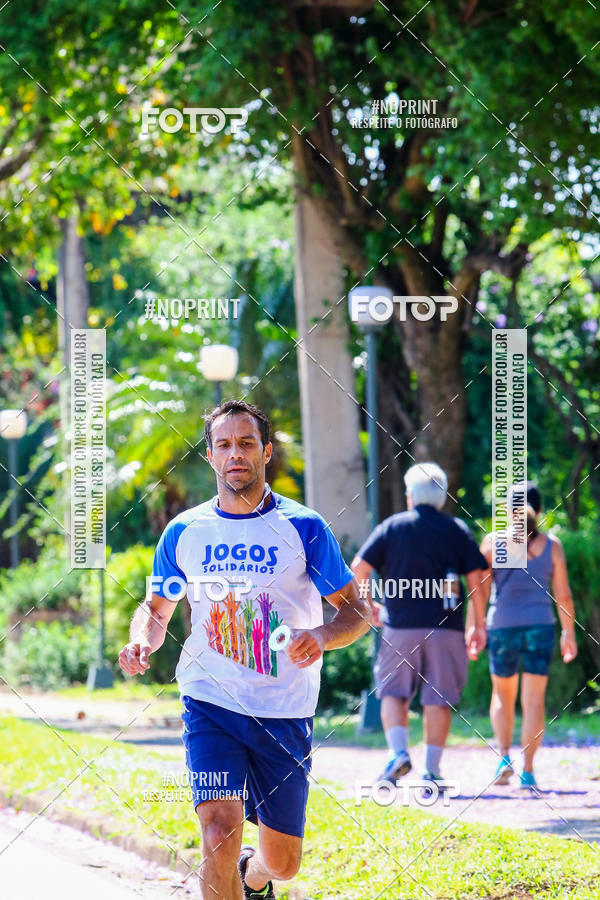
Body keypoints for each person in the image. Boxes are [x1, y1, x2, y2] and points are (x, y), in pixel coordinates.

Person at [118, 400, 371, 900]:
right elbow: (156, 607)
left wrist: (320, 636)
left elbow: (356, 611)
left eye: (247, 443)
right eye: (224, 444)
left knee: (283, 863)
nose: (236, 453)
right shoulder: (185, 531)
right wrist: (140, 641)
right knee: (218, 834)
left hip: (284, 708)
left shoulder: (305, 528)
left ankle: (255, 879)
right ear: (210, 456)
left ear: (266, 452)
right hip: (209, 701)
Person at [351, 462, 488, 788]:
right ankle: (432, 772)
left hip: (400, 627)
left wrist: (369, 605)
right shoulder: (457, 530)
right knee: (438, 699)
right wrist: (478, 624)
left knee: (393, 693)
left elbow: (359, 569)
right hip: (447, 627)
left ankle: (398, 755)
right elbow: (478, 580)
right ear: (441, 497)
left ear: (411, 495)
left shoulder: (393, 526)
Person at [478, 481, 577, 790]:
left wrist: (476, 627)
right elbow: (563, 596)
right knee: (534, 701)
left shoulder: (492, 543)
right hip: (541, 627)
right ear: (541, 511)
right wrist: (569, 633)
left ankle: (504, 758)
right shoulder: (553, 546)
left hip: (502, 626)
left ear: (507, 511)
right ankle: (529, 771)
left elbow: (478, 592)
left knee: (502, 696)